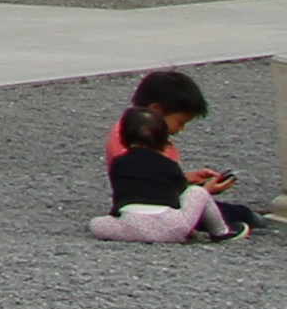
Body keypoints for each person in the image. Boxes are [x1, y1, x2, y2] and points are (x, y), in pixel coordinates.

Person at [93, 70, 254, 243]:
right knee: (218, 205)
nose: (181, 129)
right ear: (156, 111)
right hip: (167, 218)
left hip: (131, 221)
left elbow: (140, 179)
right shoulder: (155, 146)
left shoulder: (125, 144)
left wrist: (190, 177)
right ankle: (222, 232)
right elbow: (171, 192)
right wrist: (207, 190)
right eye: (181, 122)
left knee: (97, 224)